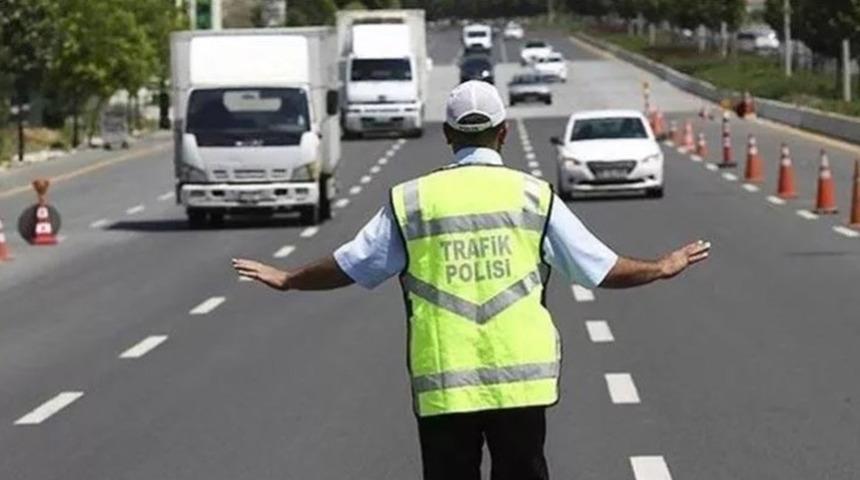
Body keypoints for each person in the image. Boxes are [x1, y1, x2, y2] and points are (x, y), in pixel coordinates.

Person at [232, 81, 710, 480]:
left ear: (447, 135)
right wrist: (660, 267)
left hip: (445, 384)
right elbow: (599, 268)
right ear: (503, 133)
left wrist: (290, 278)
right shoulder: (532, 196)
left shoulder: (413, 200)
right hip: (521, 384)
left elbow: (353, 264)